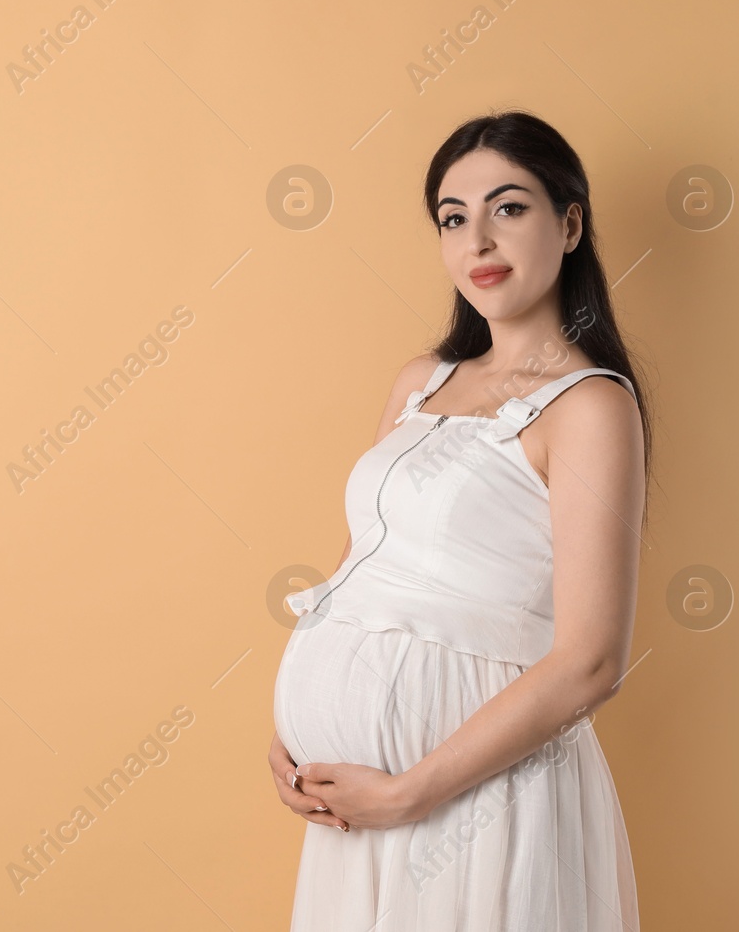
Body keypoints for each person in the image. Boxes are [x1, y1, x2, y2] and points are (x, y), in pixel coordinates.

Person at [269, 110, 649, 930]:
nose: (477, 239)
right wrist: (292, 733)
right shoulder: (419, 381)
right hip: (356, 811)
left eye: (508, 208)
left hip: (475, 805)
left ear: (570, 222)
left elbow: (591, 661)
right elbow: (356, 572)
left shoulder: (588, 407)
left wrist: (407, 792)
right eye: (453, 217)